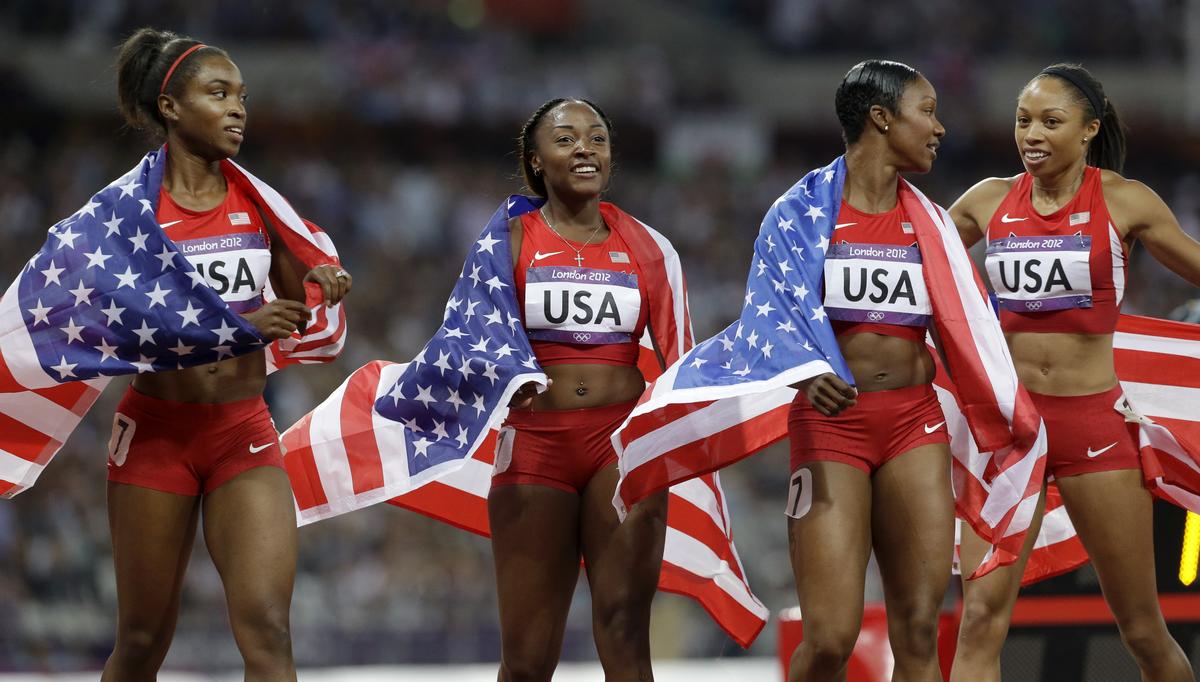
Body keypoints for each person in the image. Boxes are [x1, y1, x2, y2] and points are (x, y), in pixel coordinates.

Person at [104, 28, 351, 681]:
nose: (239, 108)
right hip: (158, 436)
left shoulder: (259, 202)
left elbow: (293, 310)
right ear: (171, 107)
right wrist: (242, 326)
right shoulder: (127, 214)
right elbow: (123, 334)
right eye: (219, 93)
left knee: (269, 632)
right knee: (141, 641)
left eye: (243, 94)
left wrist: (317, 282)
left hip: (241, 429)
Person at [948, 63, 1200, 682]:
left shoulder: (1124, 199)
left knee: (1141, 627)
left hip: (1094, 428)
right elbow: (909, 264)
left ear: (1088, 130)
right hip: (1010, 435)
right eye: (1023, 120)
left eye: (1050, 122)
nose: (1031, 133)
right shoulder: (985, 201)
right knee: (979, 618)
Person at [489, 98, 679, 682]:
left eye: (597, 138)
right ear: (536, 160)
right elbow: (469, 338)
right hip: (536, 447)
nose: (584, 149)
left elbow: (680, 358)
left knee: (625, 635)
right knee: (527, 658)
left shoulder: (649, 248)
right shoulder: (507, 241)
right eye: (566, 139)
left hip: (621, 446)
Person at [781, 59, 957, 682]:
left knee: (917, 628)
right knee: (829, 637)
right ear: (882, 117)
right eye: (927, 110)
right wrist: (802, 371)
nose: (939, 127)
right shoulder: (799, 213)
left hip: (915, 421)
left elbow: (972, 327)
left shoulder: (933, 223)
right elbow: (769, 317)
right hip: (834, 426)